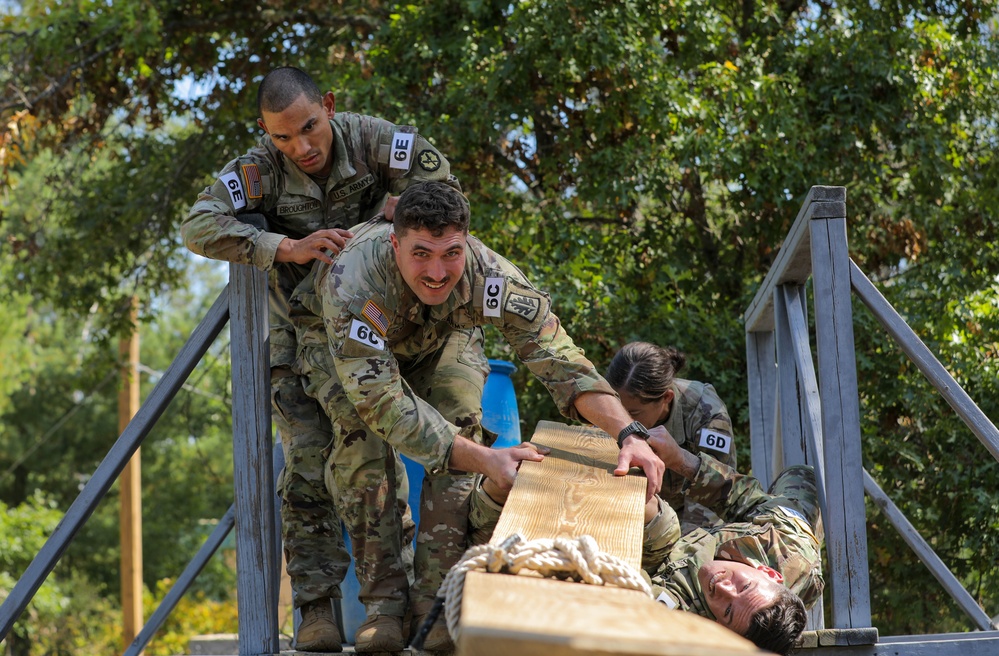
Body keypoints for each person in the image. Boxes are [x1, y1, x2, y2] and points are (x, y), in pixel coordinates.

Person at [288, 180, 666, 652]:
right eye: (421, 253)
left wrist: (629, 433)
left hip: (443, 337)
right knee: (360, 450)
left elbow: (559, 358)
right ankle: (383, 607)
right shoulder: (356, 279)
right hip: (338, 346)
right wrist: (486, 460)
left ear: (466, 242)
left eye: (450, 254)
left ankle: (435, 605)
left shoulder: (491, 277)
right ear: (394, 243)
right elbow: (381, 403)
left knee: (462, 425)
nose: (436, 271)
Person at [181, 66, 462, 652]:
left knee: (376, 448)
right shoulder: (260, 168)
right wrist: (284, 246)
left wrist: (397, 212)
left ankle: (395, 606)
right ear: (265, 132)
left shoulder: (374, 141)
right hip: (303, 332)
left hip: (380, 326)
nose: (301, 148)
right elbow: (196, 225)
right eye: (282, 137)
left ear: (329, 106)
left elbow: (444, 186)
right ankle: (316, 610)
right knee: (307, 466)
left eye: (309, 128)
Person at [470, 429, 822, 656]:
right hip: (764, 530)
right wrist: (683, 461)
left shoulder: (686, 616)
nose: (723, 588)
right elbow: (740, 496)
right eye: (742, 585)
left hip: (669, 560)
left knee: (659, 525)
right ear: (768, 572)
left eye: (728, 611)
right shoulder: (786, 546)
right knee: (802, 477)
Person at [606, 342, 738, 533]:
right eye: (617, 408)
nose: (623, 420)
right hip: (633, 505)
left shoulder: (707, 417)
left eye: (633, 412)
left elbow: (713, 495)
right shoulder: (612, 402)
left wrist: (683, 553)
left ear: (666, 398)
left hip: (687, 517)